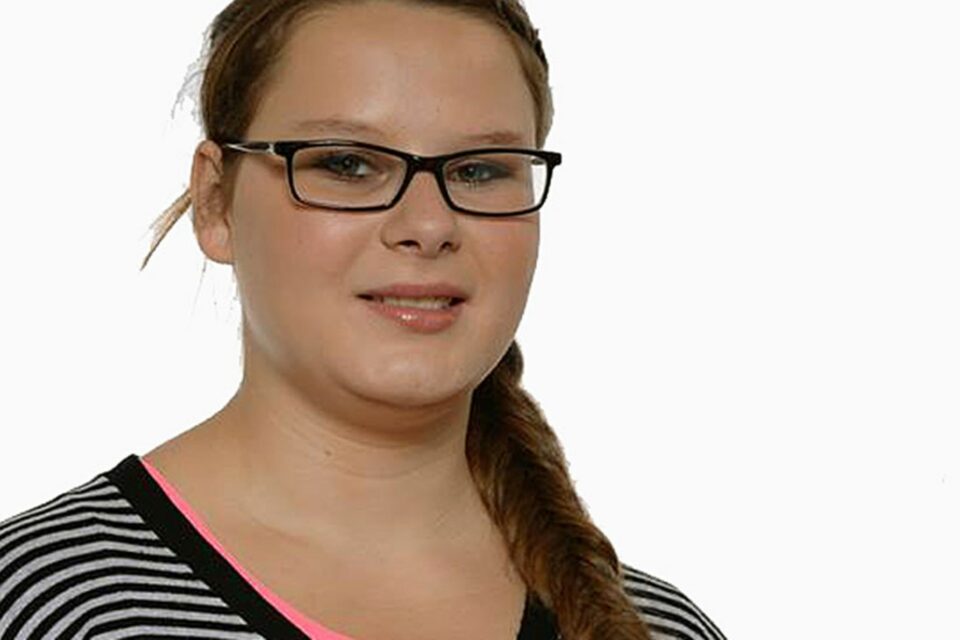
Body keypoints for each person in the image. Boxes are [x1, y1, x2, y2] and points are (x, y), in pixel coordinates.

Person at [0, 1, 726, 639]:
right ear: (217, 202)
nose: (428, 225)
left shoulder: (658, 628)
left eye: (480, 169)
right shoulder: (48, 602)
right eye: (347, 164)